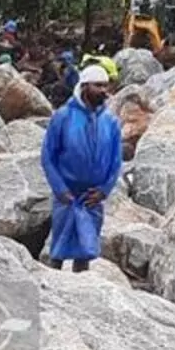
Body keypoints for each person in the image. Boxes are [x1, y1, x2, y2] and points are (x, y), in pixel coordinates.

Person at [42, 65, 122, 273]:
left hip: (92, 197)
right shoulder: (63, 117)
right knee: (58, 248)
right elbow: (48, 156)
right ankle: (53, 288)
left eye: (105, 86)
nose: (103, 91)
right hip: (66, 195)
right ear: (84, 86)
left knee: (85, 250)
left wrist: (104, 191)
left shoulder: (110, 122)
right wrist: (60, 189)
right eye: (98, 86)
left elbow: (116, 160)